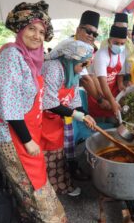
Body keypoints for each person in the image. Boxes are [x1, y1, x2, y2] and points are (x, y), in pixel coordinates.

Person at [0, 0, 67, 223]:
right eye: (31, 28)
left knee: (29, 186)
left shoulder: (29, 59)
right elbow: (9, 105)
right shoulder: (12, 55)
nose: (37, 35)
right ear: (20, 29)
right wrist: (28, 140)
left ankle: (30, 219)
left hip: (24, 130)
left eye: (42, 31)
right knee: (32, 187)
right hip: (11, 134)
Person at [41, 40, 96, 196]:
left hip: (58, 119)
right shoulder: (53, 69)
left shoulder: (72, 72)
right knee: (49, 154)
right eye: (83, 65)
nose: (83, 69)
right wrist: (76, 115)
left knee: (59, 153)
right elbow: (49, 103)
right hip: (44, 120)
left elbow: (74, 99)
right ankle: (54, 189)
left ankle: (61, 184)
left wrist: (85, 114)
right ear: (72, 59)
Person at [90, 25, 128, 119]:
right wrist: (111, 101)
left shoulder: (123, 53)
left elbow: (120, 72)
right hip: (98, 94)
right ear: (110, 40)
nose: (119, 46)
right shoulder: (101, 55)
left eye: (122, 43)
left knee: (115, 120)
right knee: (100, 121)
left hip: (112, 93)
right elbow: (102, 83)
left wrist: (120, 84)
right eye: (116, 43)